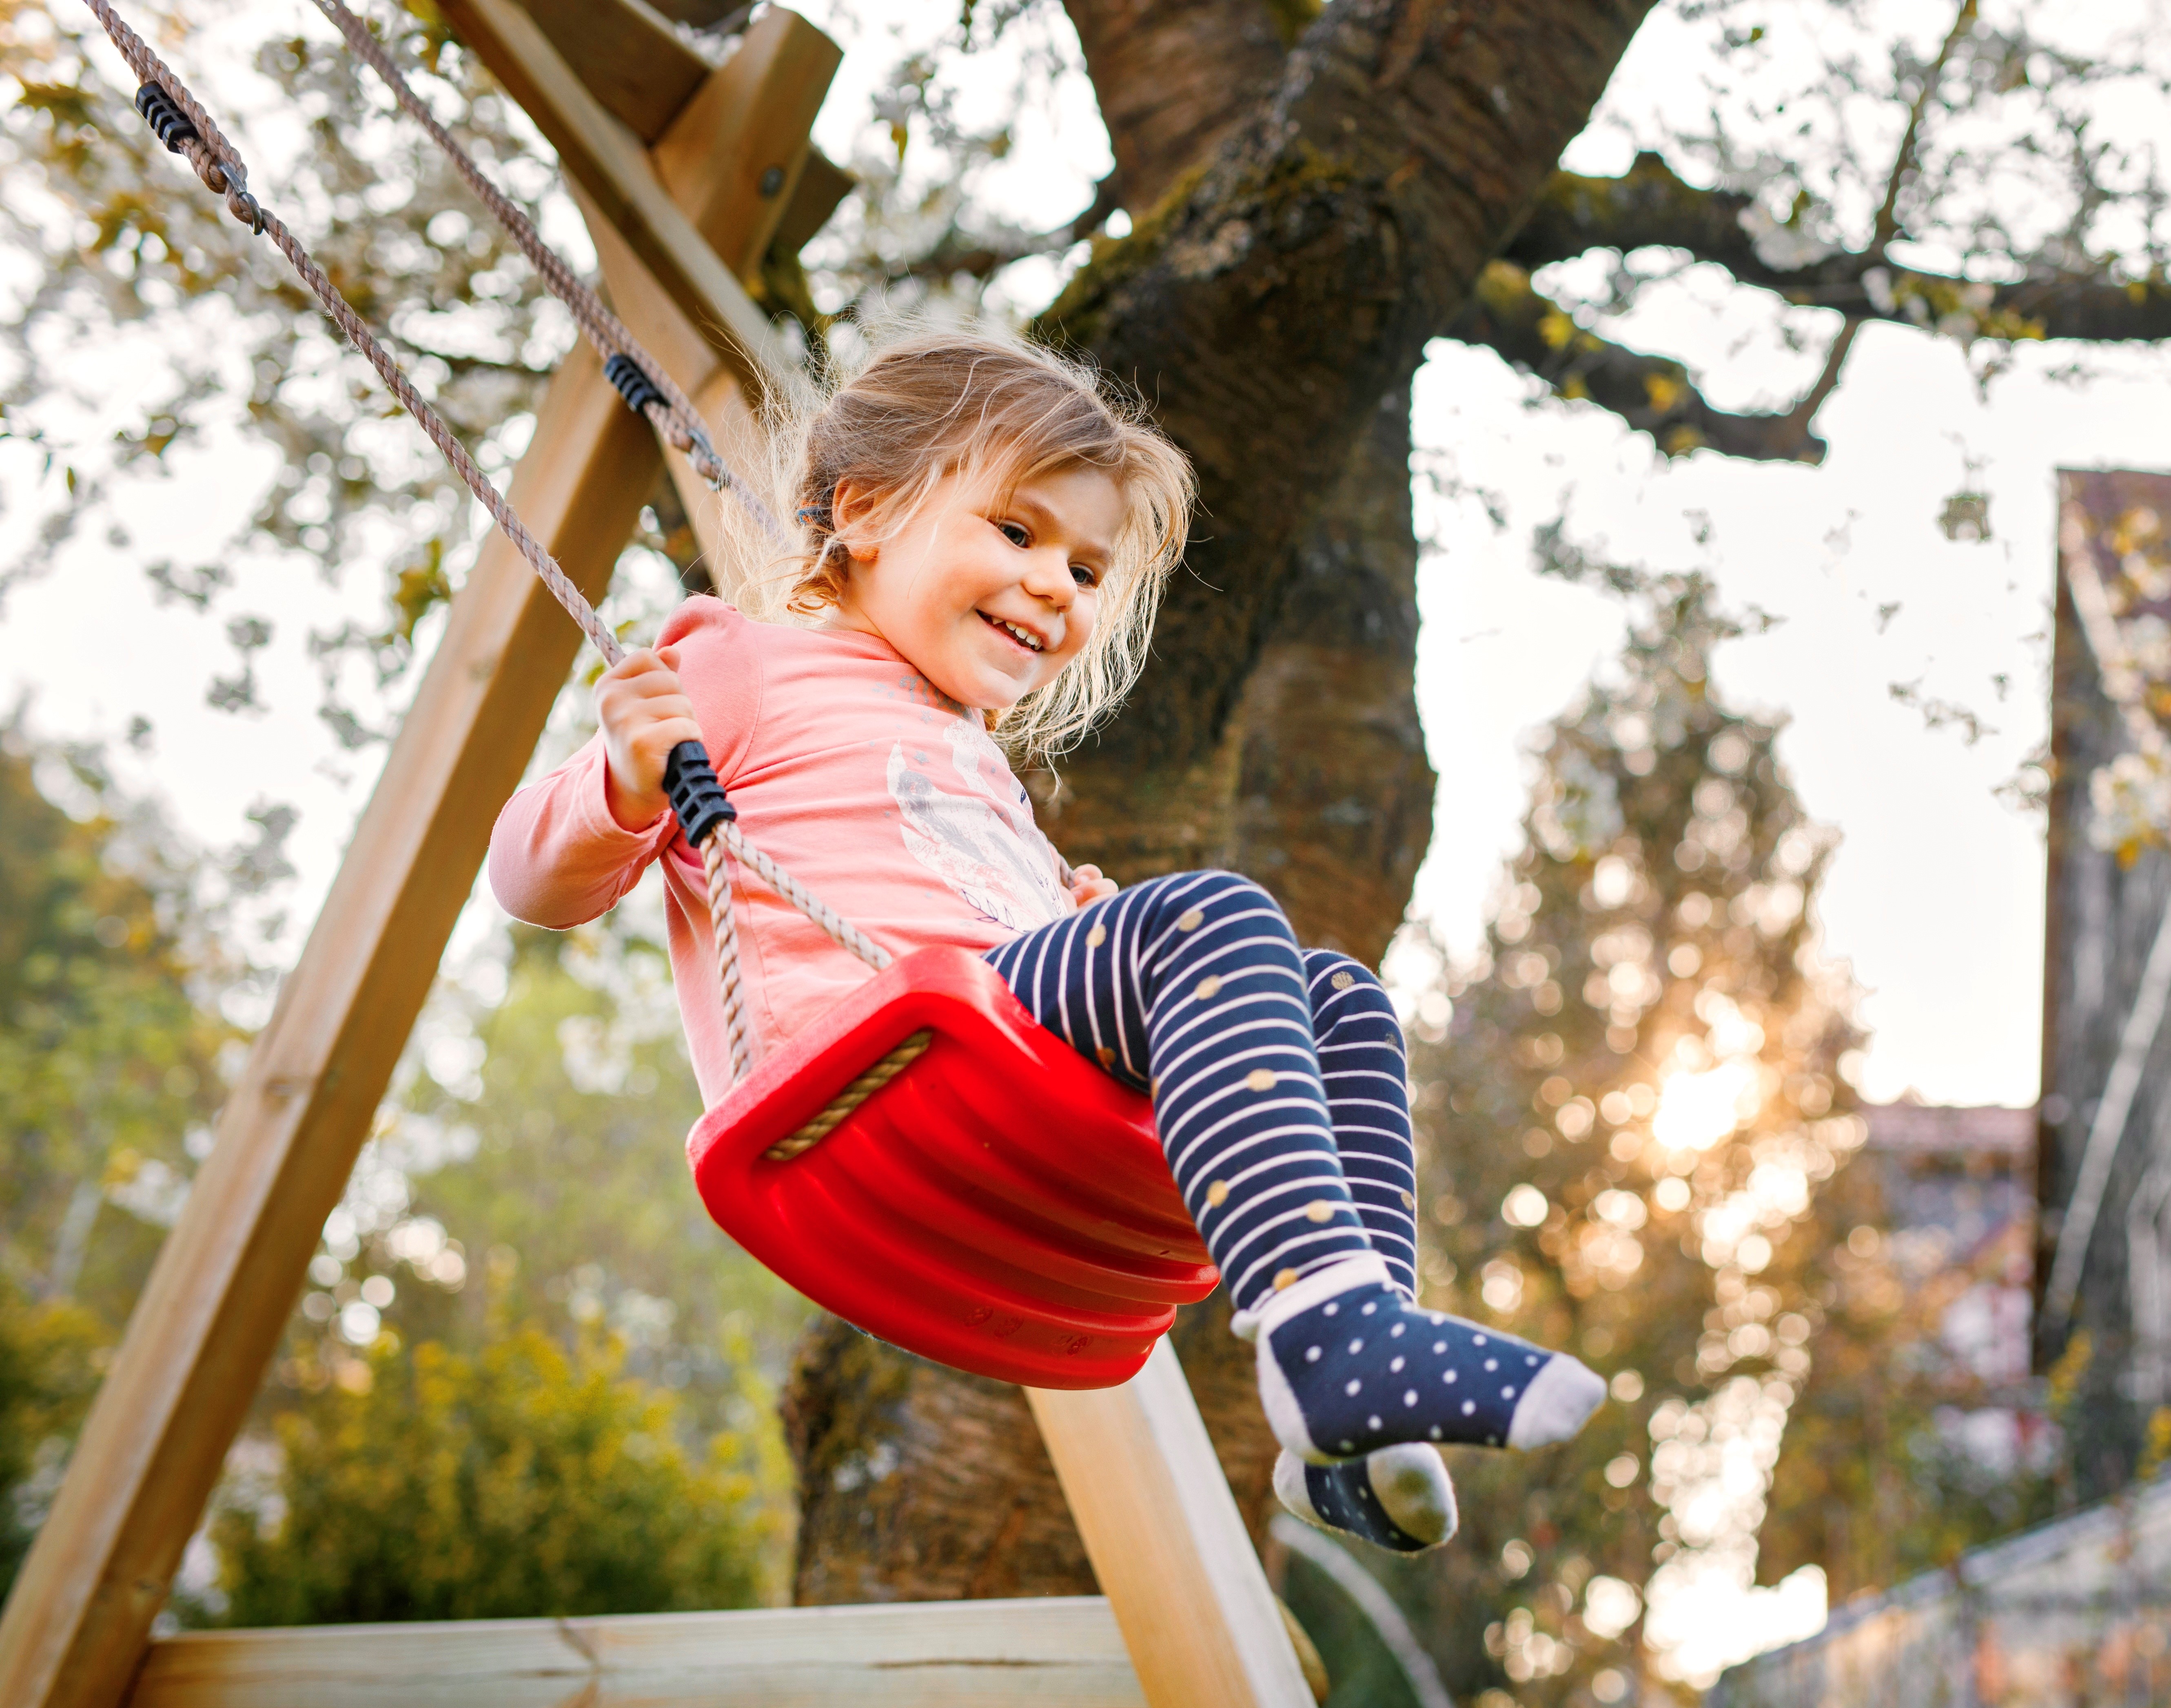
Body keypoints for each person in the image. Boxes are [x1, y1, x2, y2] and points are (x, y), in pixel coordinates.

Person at [490, 324, 1601, 1555]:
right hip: (867, 1079)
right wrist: (625, 783)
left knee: (1336, 995)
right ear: (861, 510)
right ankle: (1328, 1339)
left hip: (1004, 1064)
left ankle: (1351, 1403)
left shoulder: (981, 764)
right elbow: (531, 877)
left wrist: (1069, 920)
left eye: (1085, 570)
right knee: (1211, 914)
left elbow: (962, 898)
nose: (1056, 589)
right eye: (1017, 533)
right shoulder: (746, 666)